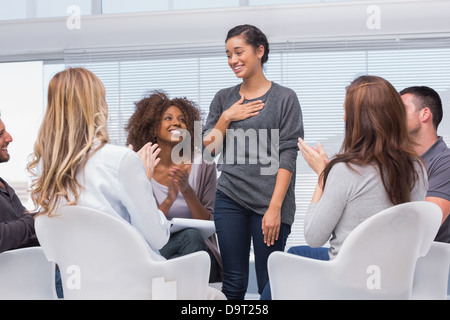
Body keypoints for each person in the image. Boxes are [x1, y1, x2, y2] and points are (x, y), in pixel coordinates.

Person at [261, 75, 428, 299]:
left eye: (345, 110)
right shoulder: (417, 168)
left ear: (359, 119)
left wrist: (323, 175)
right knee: (295, 253)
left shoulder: (347, 170)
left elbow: (313, 236)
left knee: (285, 263)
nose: (343, 117)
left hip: (348, 281)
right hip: (394, 281)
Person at [27, 67, 171, 263]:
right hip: (132, 281)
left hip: (77, 286)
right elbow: (157, 237)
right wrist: (141, 178)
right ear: (97, 107)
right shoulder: (122, 160)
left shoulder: (45, 166)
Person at [202, 24, 303, 299]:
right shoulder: (224, 98)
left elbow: (288, 153)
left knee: (269, 282)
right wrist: (227, 117)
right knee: (233, 281)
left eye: (238, 52)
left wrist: (275, 208)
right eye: (227, 54)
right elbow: (208, 152)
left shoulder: (284, 98)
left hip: (270, 202)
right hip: (230, 196)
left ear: (259, 51)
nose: (232, 60)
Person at [125, 90, 222, 283]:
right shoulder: (140, 163)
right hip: (156, 250)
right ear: (153, 128)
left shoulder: (203, 164)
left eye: (182, 120)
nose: (176, 123)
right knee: (176, 264)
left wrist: (186, 191)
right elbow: (143, 226)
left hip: (200, 253)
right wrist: (169, 198)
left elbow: (209, 221)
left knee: (192, 237)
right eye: (167, 118)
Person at [400, 86, 450, 243]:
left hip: (428, 261)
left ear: (425, 114)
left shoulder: (445, 162)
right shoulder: (399, 162)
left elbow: (424, 225)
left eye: (401, 110)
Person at [0, 114, 39, 253]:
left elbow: (24, 229)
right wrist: (37, 220)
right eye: (0, 134)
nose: (9, 138)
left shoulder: (4, 186)